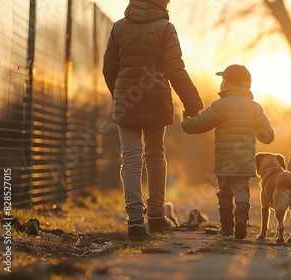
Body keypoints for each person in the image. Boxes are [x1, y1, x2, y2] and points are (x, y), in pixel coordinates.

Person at [103, 0, 204, 241]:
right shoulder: (164, 28)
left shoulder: (118, 28)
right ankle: (157, 218)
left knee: (130, 156)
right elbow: (175, 69)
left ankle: (135, 221)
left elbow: (109, 68)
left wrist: (120, 95)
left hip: (126, 100)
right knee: (155, 155)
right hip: (156, 100)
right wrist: (192, 104)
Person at [181, 64, 275, 239]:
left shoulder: (220, 105)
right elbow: (268, 135)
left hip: (224, 162)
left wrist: (185, 121)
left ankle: (226, 229)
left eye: (223, 80)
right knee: (242, 191)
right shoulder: (255, 107)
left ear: (228, 84)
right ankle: (241, 219)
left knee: (224, 194)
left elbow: (199, 125)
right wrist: (261, 134)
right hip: (244, 161)